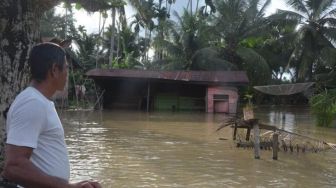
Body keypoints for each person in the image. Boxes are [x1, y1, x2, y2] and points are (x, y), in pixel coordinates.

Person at [1, 43, 102, 188]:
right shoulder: (32, 103)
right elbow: (14, 167)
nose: (68, 73)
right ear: (54, 69)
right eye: (66, 67)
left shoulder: (40, 101)